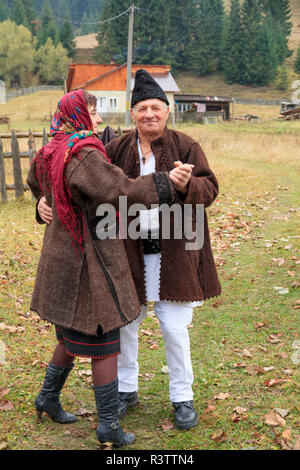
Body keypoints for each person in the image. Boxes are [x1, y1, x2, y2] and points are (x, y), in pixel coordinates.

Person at [37, 70, 221, 431]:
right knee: (127, 323)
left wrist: (186, 187)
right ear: (132, 113)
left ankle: (182, 397)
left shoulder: (186, 146)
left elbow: (210, 189)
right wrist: (44, 202)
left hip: (177, 252)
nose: (149, 114)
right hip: (126, 253)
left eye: (156, 108)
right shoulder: (115, 148)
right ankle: (126, 390)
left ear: (167, 112)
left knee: (173, 326)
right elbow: (78, 182)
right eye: (142, 109)